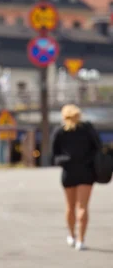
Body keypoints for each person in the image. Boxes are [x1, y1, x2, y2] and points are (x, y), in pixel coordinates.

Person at [51, 104, 101, 251]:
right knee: (83, 206)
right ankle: (81, 240)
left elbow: (54, 155)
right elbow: (98, 148)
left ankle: (71, 235)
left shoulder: (60, 132)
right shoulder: (87, 130)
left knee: (69, 206)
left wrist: (66, 160)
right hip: (86, 172)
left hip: (68, 173)